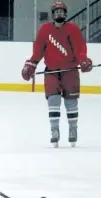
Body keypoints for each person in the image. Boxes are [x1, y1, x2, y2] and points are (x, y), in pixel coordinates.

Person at [21, 1, 93, 148]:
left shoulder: (72, 29)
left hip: (70, 71)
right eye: (56, 11)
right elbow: (38, 51)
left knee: (70, 102)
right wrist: (31, 64)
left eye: (62, 11)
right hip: (52, 71)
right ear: (52, 14)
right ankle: (55, 131)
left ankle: (73, 130)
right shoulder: (45, 29)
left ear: (65, 14)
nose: (59, 14)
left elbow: (80, 49)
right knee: (53, 101)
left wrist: (84, 61)